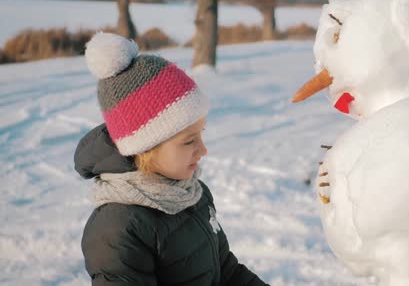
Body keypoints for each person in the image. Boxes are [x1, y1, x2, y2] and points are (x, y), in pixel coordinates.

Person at [74, 32, 268, 286]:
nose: (203, 150)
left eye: (201, 134)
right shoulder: (118, 228)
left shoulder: (192, 194)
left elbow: (225, 269)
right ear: (145, 148)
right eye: (189, 140)